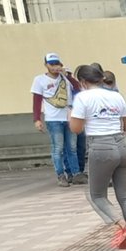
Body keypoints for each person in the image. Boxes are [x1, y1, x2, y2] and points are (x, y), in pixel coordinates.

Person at [69, 64, 126, 249]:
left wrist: (70, 116)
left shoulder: (82, 97)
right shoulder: (116, 95)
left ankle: (124, 227)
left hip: (100, 146)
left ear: (83, 82)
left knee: (96, 195)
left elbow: (76, 129)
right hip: (121, 146)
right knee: (124, 195)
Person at [32, 52, 84, 187]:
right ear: (46, 65)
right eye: (52, 64)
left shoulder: (65, 78)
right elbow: (37, 100)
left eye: (57, 64)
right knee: (58, 148)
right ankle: (61, 175)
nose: (55, 67)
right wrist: (37, 119)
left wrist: (68, 75)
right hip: (53, 119)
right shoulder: (39, 80)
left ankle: (76, 173)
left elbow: (78, 87)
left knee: (72, 147)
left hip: (68, 116)